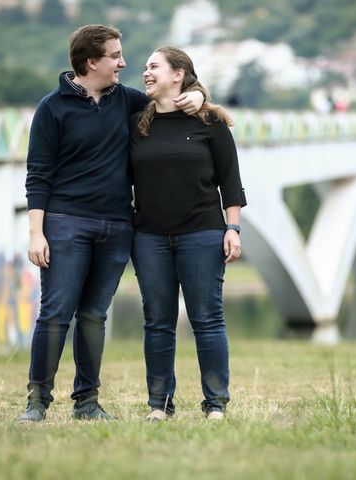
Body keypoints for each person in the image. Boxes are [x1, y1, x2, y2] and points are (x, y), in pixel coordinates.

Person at [18, 26, 204, 422]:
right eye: (115, 56)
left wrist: (200, 95)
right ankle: (37, 402)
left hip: (117, 226)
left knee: (93, 316)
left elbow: (169, 102)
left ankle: (87, 403)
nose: (124, 63)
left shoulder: (128, 101)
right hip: (65, 223)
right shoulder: (51, 108)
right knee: (55, 312)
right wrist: (37, 233)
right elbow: (38, 175)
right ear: (91, 62)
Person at [129, 46, 247, 421]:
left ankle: (216, 404)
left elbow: (231, 182)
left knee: (207, 320)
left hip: (202, 234)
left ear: (178, 74)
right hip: (149, 238)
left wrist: (233, 228)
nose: (145, 73)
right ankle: (159, 405)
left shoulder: (210, 121)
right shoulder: (136, 122)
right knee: (158, 322)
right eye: (145, 68)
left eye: (154, 67)